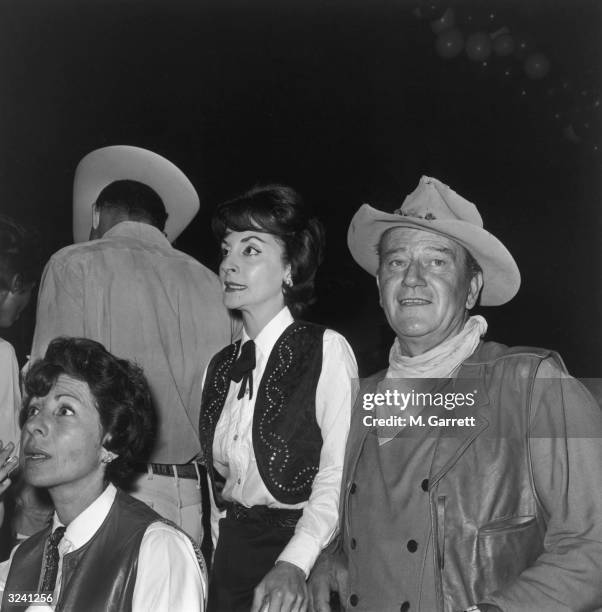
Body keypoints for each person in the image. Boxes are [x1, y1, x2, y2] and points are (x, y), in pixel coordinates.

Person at [308, 175, 602, 612]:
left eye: (437, 262)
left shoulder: (536, 386)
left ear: (472, 288)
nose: (411, 278)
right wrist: (332, 559)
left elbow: (591, 549)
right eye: (396, 262)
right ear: (379, 288)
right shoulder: (363, 398)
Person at [29, 146, 235, 544]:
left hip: (104, 494)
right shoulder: (214, 283)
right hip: (189, 498)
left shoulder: (73, 264)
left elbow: (48, 394)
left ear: (96, 215)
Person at [199, 184, 358, 612]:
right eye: (226, 250)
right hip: (231, 556)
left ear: (290, 268)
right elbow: (219, 491)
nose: (229, 263)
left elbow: (339, 475)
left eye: (250, 251)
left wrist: (295, 562)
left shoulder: (325, 348)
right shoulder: (219, 367)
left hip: (300, 554)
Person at [0, 337, 206, 611]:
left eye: (64, 410)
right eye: (34, 409)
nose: (35, 424)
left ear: (111, 440)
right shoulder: (24, 560)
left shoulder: (156, 550)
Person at [0, 216, 43, 542]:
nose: (25, 305)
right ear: (15, 283)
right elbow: (10, 453)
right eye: (27, 291)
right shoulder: (2, 353)